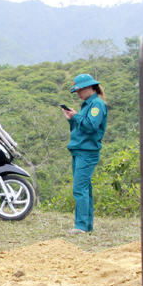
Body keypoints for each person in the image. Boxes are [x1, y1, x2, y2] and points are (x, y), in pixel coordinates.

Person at [61, 74, 107, 234]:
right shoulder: (86, 105)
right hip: (79, 150)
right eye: (77, 91)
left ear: (90, 87)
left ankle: (80, 226)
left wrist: (77, 116)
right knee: (85, 188)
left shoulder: (97, 105)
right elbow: (80, 128)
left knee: (79, 189)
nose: (79, 93)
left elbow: (91, 126)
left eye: (80, 89)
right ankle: (87, 226)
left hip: (87, 153)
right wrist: (71, 118)